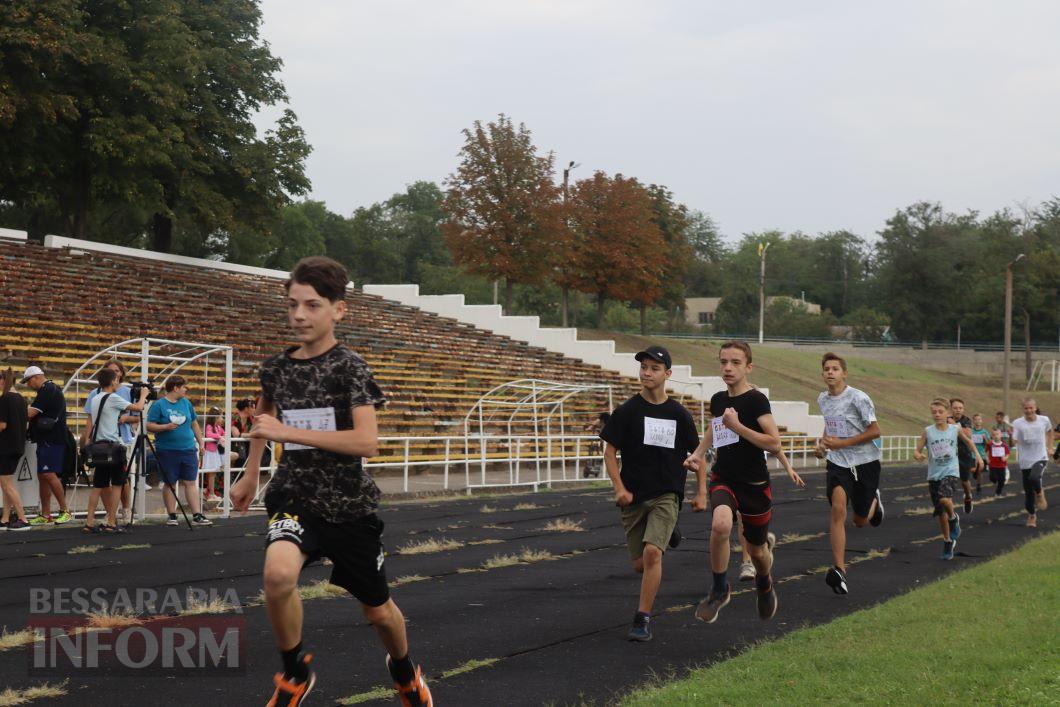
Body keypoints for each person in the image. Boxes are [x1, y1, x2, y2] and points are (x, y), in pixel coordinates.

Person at [229, 256, 432, 706]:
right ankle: (294, 672)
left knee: (378, 611)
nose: (300, 315)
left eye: (313, 305)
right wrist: (249, 474)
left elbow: (366, 442)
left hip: (348, 506)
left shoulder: (350, 369)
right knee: (278, 576)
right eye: (293, 305)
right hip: (294, 494)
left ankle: (403, 670)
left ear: (338, 310)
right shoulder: (276, 368)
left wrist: (288, 432)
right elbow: (264, 420)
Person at [686, 341, 801, 624]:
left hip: (754, 484)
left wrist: (738, 426)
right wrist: (698, 454)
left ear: (748, 367)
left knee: (758, 550)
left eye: (735, 362)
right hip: (724, 477)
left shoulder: (756, 400)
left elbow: (774, 442)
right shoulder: (718, 400)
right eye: (723, 361)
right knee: (721, 524)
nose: (727, 367)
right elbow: (715, 430)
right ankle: (719, 588)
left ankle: (764, 583)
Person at [599, 345, 703, 642]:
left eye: (654, 368)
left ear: (667, 374)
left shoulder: (679, 414)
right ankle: (669, 533)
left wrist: (702, 491)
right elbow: (609, 452)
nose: (647, 372)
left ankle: (642, 618)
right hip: (634, 495)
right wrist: (619, 488)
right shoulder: (627, 411)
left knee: (652, 553)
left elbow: (697, 455)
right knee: (639, 564)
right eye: (643, 367)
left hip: (667, 492)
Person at [814, 352, 884, 595]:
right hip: (838, 463)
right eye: (826, 369)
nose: (830, 372)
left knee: (860, 521)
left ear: (844, 373)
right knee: (837, 508)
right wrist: (822, 444)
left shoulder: (859, 398)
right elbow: (830, 426)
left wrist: (845, 443)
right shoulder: (822, 399)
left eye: (835, 369)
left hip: (865, 462)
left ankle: (874, 501)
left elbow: (875, 431)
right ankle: (839, 569)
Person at [80, 368, 149, 532]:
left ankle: (89, 522)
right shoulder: (113, 398)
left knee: (98, 486)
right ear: (112, 382)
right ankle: (111, 521)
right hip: (114, 447)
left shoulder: (96, 398)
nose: (118, 382)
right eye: (117, 379)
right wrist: (144, 394)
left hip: (99, 446)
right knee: (118, 484)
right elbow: (138, 408)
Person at [914, 398, 979, 560]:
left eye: (940, 412)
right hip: (934, 474)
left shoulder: (954, 429)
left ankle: (953, 518)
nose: (937, 415)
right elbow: (917, 450)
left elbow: (969, 441)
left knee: (944, 499)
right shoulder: (928, 431)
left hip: (950, 471)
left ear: (947, 413)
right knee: (940, 512)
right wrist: (918, 455)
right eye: (934, 412)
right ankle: (947, 540)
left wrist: (978, 456)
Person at [146, 376, 211, 526]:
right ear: (175, 387)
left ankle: (196, 514)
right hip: (167, 450)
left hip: (188, 449)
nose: (186, 389)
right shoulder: (159, 405)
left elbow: (194, 424)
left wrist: (201, 442)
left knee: (190, 482)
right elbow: (148, 425)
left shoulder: (186, 403)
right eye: (184, 387)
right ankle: (172, 515)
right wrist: (165, 427)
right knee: (170, 483)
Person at [21, 366, 72, 525]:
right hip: (46, 439)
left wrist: (12, 410)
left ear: (35, 377)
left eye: (28, 381)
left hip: (52, 439)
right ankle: (46, 514)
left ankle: (65, 510)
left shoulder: (47, 390)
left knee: (49, 474)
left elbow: (30, 413)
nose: (28, 385)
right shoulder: (50, 389)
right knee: (43, 476)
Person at [1011, 398, 1053, 529]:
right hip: (1025, 460)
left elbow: (1050, 432)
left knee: (1034, 477)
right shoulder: (1018, 423)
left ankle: (1040, 494)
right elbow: (1014, 442)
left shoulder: (1044, 420)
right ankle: (1032, 515)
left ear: (1035, 408)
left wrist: (1050, 446)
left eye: (1031, 408)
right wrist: (1014, 438)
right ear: (1023, 409)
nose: (1028, 410)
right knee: (1028, 492)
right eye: (1026, 408)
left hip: (1040, 456)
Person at [0, 368, 31, 531]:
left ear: (3, 381)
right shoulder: (21, 398)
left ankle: (22, 518)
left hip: (5, 447)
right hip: (18, 445)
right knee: (6, 484)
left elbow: (2, 425)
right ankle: (5, 518)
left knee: (7, 484)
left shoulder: (4, 398)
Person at [949, 399, 984, 514]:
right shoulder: (946, 419)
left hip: (964, 453)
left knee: (964, 480)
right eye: (955, 408)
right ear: (951, 409)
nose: (958, 410)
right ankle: (947, 503)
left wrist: (954, 425)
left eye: (960, 408)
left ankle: (968, 496)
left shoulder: (966, 420)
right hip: (950, 453)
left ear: (963, 409)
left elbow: (968, 434)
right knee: (949, 479)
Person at [202, 406, 227, 503]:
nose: (222, 419)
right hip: (210, 453)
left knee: (214, 473)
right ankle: (211, 494)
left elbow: (224, 433)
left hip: (215, 452)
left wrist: (223, 435)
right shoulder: (209, 426)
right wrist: (219, 437)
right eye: (221, 416)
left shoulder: (218, 427)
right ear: (215, 417)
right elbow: (208, 435)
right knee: (212, 473)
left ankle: (208, 491)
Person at [986, 428, 1011, 497]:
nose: (996, 436)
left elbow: (1008, 454)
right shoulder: (990, 444)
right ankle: (995, 481)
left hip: (1002, 465)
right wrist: (987, 459)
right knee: (993, 478)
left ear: (1000, 435)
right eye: (994, 435)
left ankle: (998, 493)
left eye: (997, 434)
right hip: (993, 465)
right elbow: (987, 452)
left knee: (1002, 481)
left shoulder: (1004, 445)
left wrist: (1005, 458)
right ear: (992, 436)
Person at [969, 413, 990, 495]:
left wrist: (985, 439)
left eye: (979, 419)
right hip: (972, 453)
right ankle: (975, 473)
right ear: (973, 421)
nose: (977, 421)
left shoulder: (985, 432)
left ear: (981, 421)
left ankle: (978, 486)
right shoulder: (971, 431)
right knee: (972, 470)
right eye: (976, 419)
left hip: (981, 454)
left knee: (979, 471)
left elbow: (989, 444)